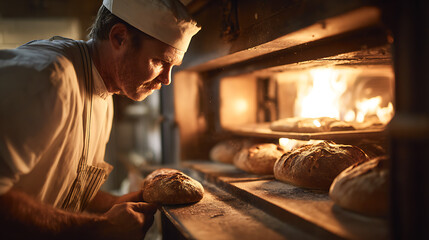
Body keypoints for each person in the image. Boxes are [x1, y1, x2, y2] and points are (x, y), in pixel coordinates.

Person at [0, 0, 200, 239]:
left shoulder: (105, 90)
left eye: (173, 66)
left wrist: (123, 202)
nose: (167, 79)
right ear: (119, 38)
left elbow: (71, 184)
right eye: (159, 61)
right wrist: (98, 227)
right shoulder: (49, 80)